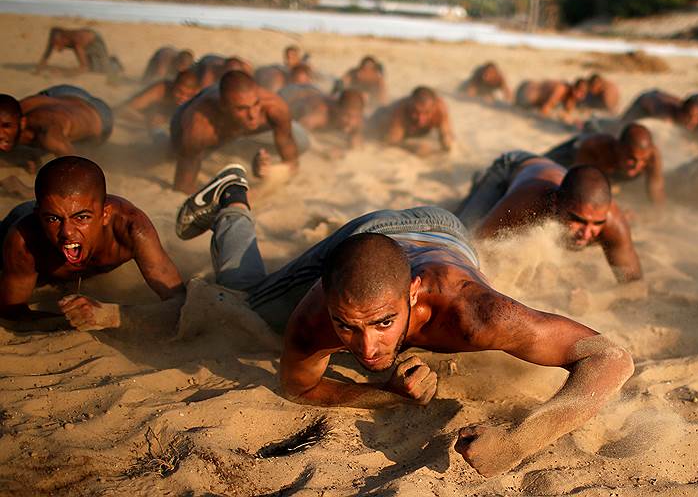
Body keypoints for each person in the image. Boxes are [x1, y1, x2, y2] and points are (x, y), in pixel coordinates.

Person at [174, 165, 634, 478]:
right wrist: (385, 393)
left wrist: (518, 441)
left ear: (413, 294)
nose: (367, 348)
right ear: (327, 301)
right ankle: (232, 199)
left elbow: (611, 358)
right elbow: (299, 386)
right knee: (244, 306)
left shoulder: (476, 314)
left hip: (443, 232)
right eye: (347, 327)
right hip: (368, 237)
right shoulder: (317, 313)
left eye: (383, 323)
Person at [0, 156, 184, 328]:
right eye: (53, 219)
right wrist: (71, 321)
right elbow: (12, 313)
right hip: (14, 224)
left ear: (105, 214)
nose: (67, 233)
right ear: (39, 216)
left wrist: (107, 315)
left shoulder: (130, 228)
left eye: (81, 217)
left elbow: (179, 302)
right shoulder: (24, 242)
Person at [455, 153, 642, 283]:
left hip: (554, 174)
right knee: (459, 232)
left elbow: (634, 283)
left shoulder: (612, 221)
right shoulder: (529, 200)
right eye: (578, 219)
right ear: (556, 201)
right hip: (510, 167)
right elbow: (478, 244)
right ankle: (481, 181)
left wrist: (595, 299)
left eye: (597, 224)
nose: (586, 233)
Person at [170, 70, 309, 194]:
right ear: (224, 107)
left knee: (301, 141)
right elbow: (183, 188)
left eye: (256, 104)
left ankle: (238, 148)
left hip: (238, 132)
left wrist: (270, 171)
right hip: (189, 119)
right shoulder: (199, 125)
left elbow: (292, 164)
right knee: (170, 153)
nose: (253, 115)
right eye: (242, 109)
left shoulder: (274, 107)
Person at [544, 123, 665, 205]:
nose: (637, 166)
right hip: (573, 152)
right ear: (618, 148)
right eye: (632, 159)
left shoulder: (652, 157)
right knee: (543, 165)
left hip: (605, 168)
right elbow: (578, 183)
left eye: (643, 160)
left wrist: (657, 218)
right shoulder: (597, 148)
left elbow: (656, 190)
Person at [0, 86, 113, 157]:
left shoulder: (50, 136)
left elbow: (74, 170)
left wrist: (26, 190)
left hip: (98, 113)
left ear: (23, 122)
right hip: (61, 93)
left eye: (6, 126)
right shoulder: (16, 112)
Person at [366, 86, 453, 155]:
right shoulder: (400, 111)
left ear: (433, 108)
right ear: (410, 105)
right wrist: (410, 147)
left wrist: (446, 142)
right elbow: (390, 142)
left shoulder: (440, 109)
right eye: (416, 112)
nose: (420, 119)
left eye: (426, 113)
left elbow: (446, 134)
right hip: (379, 119)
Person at [117, 69, 200, 137]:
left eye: (188, 95)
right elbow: (121, 110)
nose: (183, 98)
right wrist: (146, 120)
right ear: (173, 86)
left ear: (195, 92)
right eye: (179, 92)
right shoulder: (161, 90)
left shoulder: (198, 99)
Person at [280, 86, 365, 148]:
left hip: (315, 91)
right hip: (292, 96)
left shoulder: (356, 118)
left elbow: (356, 136)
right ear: (337, 109)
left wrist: (355, 139)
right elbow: (297, 133)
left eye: (356, 117)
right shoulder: (321, 114)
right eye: (347, 116)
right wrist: (323, 150)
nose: (350, 122)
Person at [36, 27, 122, 75]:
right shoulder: (55, 36)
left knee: (102, 69)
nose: (55, 48)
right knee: (93, 66)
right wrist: (39, 69)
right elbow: (48, 52)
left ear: (63, 39)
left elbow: (83, 68)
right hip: (86, 42)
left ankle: (115, 62)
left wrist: (63, 73)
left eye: (58, 44)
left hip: (94, 42)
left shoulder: (77, 43)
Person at [620, 89, 698, 132]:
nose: (693, 121)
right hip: (643, 102)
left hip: (656, 95)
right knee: (622, 126)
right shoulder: (665, 118)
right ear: (681, 113)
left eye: (697, 118)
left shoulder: (686, 107)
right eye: (689, 117)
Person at [514, 78, 588, 121]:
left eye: (583, 93)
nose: (581, 96)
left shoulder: (571, 97)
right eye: (580, 92)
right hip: (524, 93)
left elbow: (567, 113)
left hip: (529, 96)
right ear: (574, 88)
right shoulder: (561, 89)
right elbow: (544, 109)